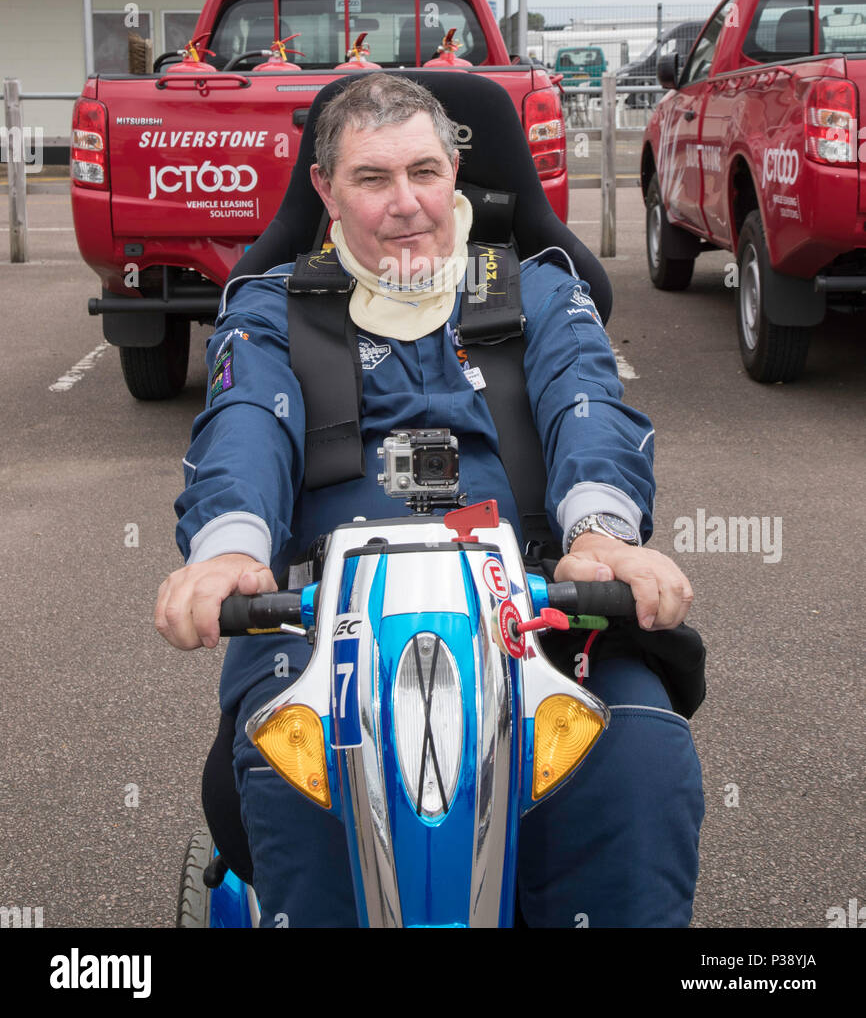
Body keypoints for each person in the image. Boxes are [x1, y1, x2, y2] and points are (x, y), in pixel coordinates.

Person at [156, 73, 704, 928]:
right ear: (325, 190)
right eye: (372, 179)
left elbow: (590, 410)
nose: (405, 204)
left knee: (639, 755)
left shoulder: (543, 293)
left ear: (457, 175)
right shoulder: (268, 311)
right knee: (291, 775)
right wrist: (227, 551)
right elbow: (240, 431)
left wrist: (599, 534)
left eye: (424, 172)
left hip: (537, 602)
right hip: (316, 620)